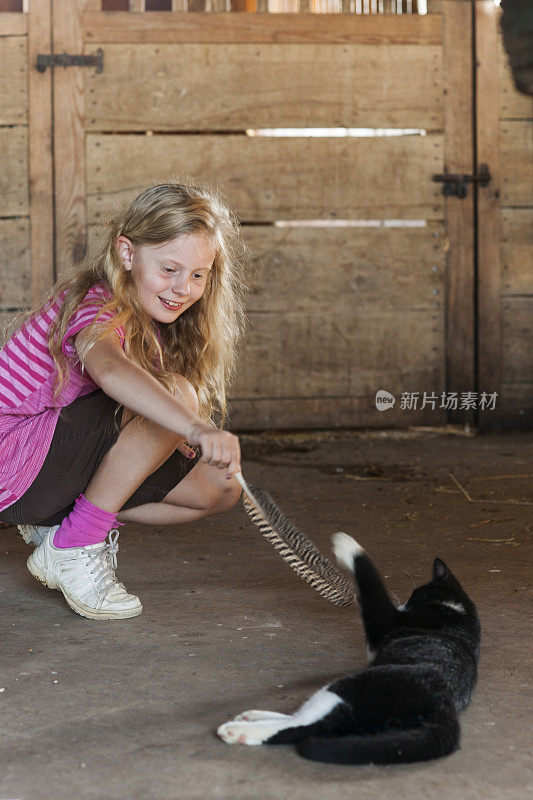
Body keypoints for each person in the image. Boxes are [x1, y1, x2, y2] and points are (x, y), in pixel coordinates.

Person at [0, 182, 249, 621]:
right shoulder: (97, 303)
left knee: (218, 488)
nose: (182, 288)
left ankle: (63, 526)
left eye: (197, 274)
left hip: (44, 471)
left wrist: (177, 437)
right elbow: (112, 372)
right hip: (12, 460)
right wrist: (192, 425)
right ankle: (77, 545)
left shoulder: (153, 319)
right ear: (128, 254)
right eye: (169, 269)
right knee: (173, 394)